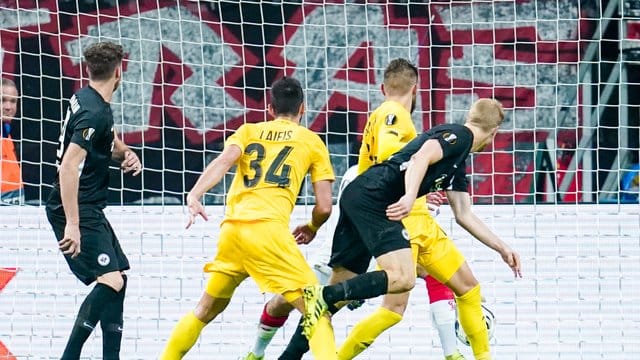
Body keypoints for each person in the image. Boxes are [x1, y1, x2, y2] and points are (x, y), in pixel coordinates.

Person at [241, 59, 467, 360]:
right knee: (314, 296)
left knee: (332, 297)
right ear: (416, 89)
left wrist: (418, 189)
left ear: (383, 87)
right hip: (372, 212)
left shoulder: (379, 122)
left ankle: (278, 355)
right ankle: (258, 352)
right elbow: (392, 156)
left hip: (367, 211)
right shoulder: (394, 113)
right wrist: (413, 184)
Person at [302, 97, 522, 360]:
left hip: (421, 226)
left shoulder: (458, 159)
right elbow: (420, 157)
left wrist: (502, 248)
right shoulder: (460, 136)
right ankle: (335, 342)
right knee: (394, 306)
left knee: (468, 288)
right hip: (404, 223)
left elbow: (464, 214)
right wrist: (409, 196)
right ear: (494, 132)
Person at [160, 76, 339, 360]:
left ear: (270, 109)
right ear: (302, 109)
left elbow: (223, 161)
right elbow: (325, 207)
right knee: (319, 314)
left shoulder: (248, 131)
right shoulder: (312, 141)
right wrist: (313, 226)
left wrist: (195, 194)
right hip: (269, 234)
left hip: (232, 233)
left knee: (204, 310)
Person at [45, 41, 142, 359]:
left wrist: (125, 153)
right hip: (75, 207)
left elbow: (106, 140)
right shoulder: (94, 112)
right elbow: (69, 165)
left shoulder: (87, 99)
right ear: (119, 72)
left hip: (86, 206)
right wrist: (72, 224)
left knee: (119, 278)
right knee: (110, 279)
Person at [1, 77, 24, 205]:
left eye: (13, 101)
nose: (8, 107)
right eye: (2, 100)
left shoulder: (7, 132)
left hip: (14, 209)